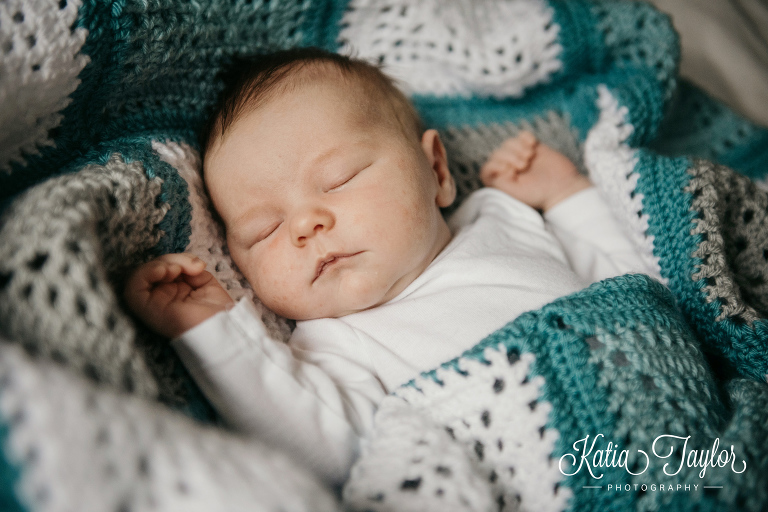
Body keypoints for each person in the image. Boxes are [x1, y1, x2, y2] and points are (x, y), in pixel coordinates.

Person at [123, 48, 649, 485]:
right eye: (264, 230)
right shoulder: (331, 347)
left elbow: (637, 288)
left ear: (436, 169)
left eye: (340, 178)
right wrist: (212, 334)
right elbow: (327, 452)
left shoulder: (507, 219)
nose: (306, 224)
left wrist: (567, 196)